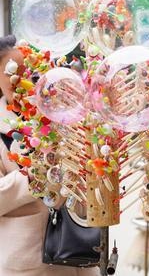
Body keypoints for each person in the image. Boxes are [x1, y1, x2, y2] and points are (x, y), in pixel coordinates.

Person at [0, 35, 98, 276]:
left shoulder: (67, 118)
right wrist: (36, 177)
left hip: (80, 257)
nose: (22, 77)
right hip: (27, 263)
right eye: (12, 71)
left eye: (30, 71)